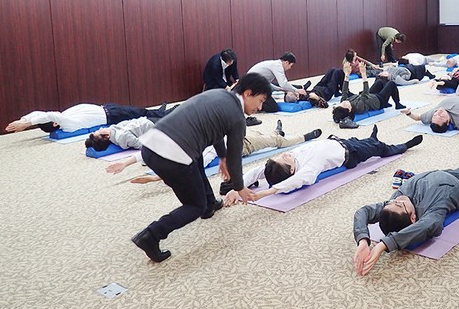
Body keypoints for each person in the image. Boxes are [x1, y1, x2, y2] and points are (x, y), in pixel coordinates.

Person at [130, 73, 271, 263]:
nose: (260, 108)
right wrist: (239, 187)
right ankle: (151, 235)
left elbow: (217, 131)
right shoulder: (238, 117)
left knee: (196, 159)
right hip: (171, 157)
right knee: (194, 206)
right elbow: (235, 157)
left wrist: (221, 156)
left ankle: (210, 203)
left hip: (150, 147)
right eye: (260, 101)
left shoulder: (219, 95)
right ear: (248, 93)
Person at [223, 125, 423, 205]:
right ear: (291, 170)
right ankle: (404, 146)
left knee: (364, 140)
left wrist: (237, 188)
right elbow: (298, 182)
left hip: (338, 140)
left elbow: (257, 171)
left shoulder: (288, 159)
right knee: (379, 148)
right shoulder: (308, 169)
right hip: (351, 153)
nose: (284, 154)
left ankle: (371, 138)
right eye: (284, 159)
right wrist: (265, 193)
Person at [103, 119, 322, 184]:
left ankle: (278, 132)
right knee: (276, 141)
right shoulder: (201, 152)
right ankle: (306, 137)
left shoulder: (190, 140)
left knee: (269, 136)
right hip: (243, 145)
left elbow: (148, 154)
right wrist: (156, 178)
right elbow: (185, 167)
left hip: (236, 134)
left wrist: (125, 163)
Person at [5, 102, 173, 134]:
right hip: (112, 115)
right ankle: (172, 112)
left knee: (142, 111)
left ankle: (161, 111)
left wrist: (24, 121)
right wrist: (28, 124)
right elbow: (48, 114)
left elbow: (39, 112)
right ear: (55, 123)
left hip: (108, 108)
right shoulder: (67, 124)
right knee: (142, 113)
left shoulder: (62, 118)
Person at [332, 62, 405, 127]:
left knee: (379, 82)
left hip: (370, 96)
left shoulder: (344, 102)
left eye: (341, 104)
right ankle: (397, 104)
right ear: (350, 109)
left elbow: (344, 90)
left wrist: (347, 74)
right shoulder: (359, 107)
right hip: (379, 101)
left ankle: (387, 99)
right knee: (391, 84)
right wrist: (364, 74)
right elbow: (365, 92)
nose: (344, 102)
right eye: (345, 105)